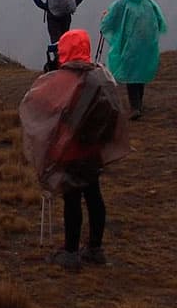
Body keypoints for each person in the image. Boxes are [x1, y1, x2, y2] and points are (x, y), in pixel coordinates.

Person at [18, 29, 130, 270]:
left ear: (64, 50)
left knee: (72, 198)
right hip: (94, 150)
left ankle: (70, 252)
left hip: (71, 150)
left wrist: (49, 76)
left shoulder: (65, 80)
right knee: (94, 196)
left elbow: (38, 103)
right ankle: (95, 248)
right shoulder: (101, 76)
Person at [98, 0, 166, 119]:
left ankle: (135, 107)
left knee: (130, 74)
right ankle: (138, 104)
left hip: (130, 46)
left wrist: (104, 17)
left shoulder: (121, 4)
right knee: (140, 72)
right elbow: (160, 23)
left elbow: (108, 23)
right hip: (147, 44)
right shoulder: (149, 3)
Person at [30, 0, 88, 71]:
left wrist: (44, 6)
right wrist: (74, 5)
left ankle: (58, 64)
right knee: (66, 38)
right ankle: (67, 63)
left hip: (52, 16)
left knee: (55, 40)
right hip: (66, 15)